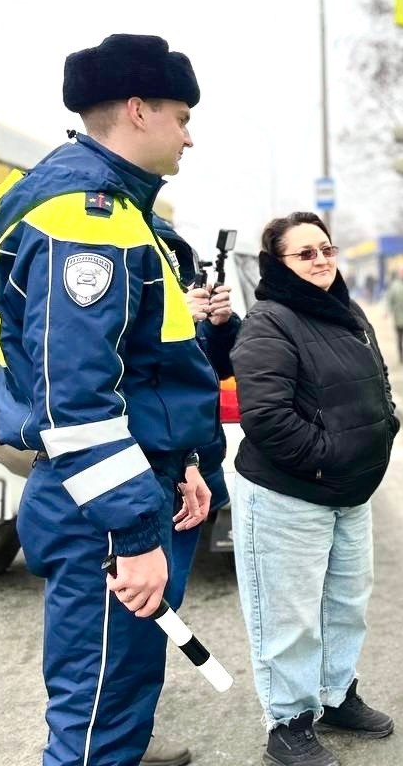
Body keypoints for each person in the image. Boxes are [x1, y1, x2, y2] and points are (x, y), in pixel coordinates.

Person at [0, 33, 220, 766]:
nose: (189, 133)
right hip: (105, 509)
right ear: (138, 110)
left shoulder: (121, 212)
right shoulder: (84, 220)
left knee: (121, 687)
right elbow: (78, 402)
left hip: (140, 484)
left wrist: (183, 460)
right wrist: (133, 535)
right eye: (181, 116)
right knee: (94, 720)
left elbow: (140, 367)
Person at [230, 211, 400, 766]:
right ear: (277, 265)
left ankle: (335, 696)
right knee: (290, 616)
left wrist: (384, 428)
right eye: (306, 253)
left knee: (345, 604)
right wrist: (328, 459)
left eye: (326, 249)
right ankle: (288, 723)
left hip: (349, 494)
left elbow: (380, 382)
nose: (322, 259)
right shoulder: (270, 321)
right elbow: (268, 418)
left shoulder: (347, 312)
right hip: (289, 494)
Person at [140, 216, 240, 766]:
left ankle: (132, 728)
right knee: (136, 610)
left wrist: (219, 326)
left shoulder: (185, 315)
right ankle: (115, 736)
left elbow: (218, 372)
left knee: (163, 602)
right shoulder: (140, 311)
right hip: (150, 475)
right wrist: (176, 321)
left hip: (190, 471)